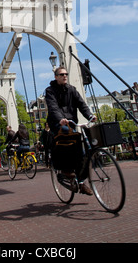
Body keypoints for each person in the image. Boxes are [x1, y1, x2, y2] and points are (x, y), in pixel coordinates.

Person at [45, 66, 96, 195]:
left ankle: (81, 182)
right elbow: (53, 108)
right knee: (65, 136)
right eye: (61, 74)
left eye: (66, 74)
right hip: (58, 123)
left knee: (83, 152)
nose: (65, 76)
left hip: (72, 123)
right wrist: (60, 119)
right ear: (56, 77)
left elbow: (81, 104)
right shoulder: (50, 91)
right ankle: (65, 171)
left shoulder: (72, 90)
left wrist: (90, 115)